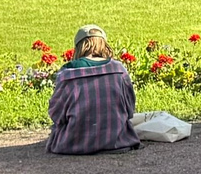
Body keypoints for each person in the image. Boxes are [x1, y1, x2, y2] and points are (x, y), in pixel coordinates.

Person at [45, 24, 139, 154]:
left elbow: (56, 113)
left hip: (73, 144)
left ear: (78, 47)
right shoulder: (118, 70)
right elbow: (129, 108)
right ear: (104, 44)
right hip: (118, 141)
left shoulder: (68, 72)